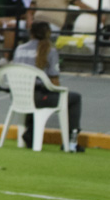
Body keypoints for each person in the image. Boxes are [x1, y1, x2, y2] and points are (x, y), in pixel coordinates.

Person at [11, 21, 84, 152]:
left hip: (18, 95)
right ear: (48, 34)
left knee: (41, 101)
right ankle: (71, 141)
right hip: (39, 96)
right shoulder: (50, 50)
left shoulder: (19, 49)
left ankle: (31, 132)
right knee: (74, 98)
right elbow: (54, 80)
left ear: (30, 33)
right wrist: (60, 92)